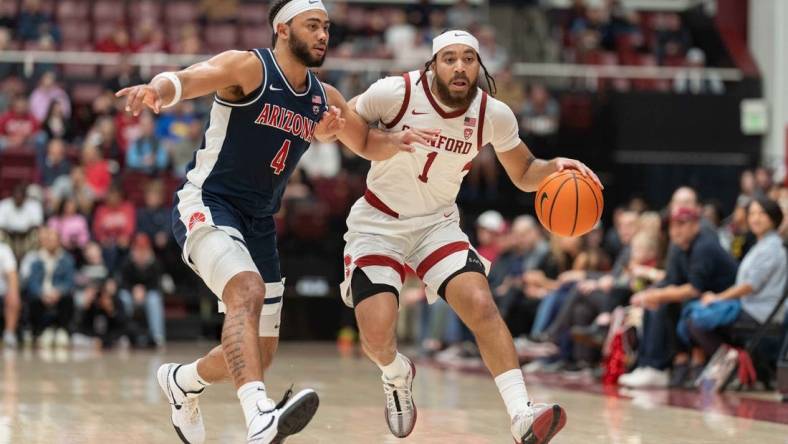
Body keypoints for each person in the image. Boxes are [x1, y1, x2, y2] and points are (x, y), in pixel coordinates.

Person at [116, 1, 433, 442]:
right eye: (313, 25)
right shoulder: (250, 68)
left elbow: (364, 142)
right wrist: (160, 87)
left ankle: (182, 382)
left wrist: (396, 141)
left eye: (326, 26)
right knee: (245, 290)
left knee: (259, 352)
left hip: (259, 221)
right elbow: (194, 77)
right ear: (283, 29)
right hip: (209, 203)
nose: (323, 34)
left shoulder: (325, 98)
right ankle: (260, 417)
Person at [341, 30, 600, 443]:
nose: (460, 67)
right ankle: (395, 373)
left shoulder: (492, 114)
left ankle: (521, 414)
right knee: (376, 338)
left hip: (437, 225)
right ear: (433, 64)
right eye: (449, 59)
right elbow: (346, 126)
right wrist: (381, 138)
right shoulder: (396, 93)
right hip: (378, 224)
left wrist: (554, 167)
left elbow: (523, 171)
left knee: (481, 304)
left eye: (468, 59)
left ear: (479, 66)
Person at [0, 239, 20, 348]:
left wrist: (13, 291)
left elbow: (12, 275)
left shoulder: (3, 250)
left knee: (13, 296)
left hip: (2, 294)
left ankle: (9, 334)